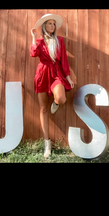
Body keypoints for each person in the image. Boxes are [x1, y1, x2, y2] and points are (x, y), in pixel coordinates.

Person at [30, 13, 74, 158]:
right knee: (43, 108)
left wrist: (68, 77)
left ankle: (55, 104)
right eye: (49, 23)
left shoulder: (59, 40)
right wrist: (33, 38)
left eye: (53, 24)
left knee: (61, 98)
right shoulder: (40, 41)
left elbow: (64, 61)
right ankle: (46, 143)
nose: (52, 26)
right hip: (42, 73)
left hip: (56, 74)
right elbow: (33, 53)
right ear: (44, 26)